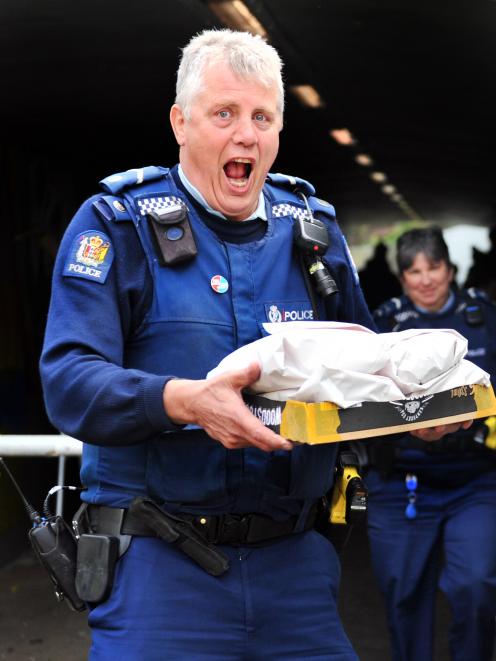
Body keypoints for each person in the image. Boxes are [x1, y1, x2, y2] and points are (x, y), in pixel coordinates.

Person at [39, 30, 464, 660]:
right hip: (160, 568)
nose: (246, 134)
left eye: (263, 116)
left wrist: (415, 418)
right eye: (224, 114)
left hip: (295, 570)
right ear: (180, 123)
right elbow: (68, 383)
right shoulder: (115, 225)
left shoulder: (313, 233)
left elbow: (366, 374)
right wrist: (187, 401)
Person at [366, 226, 496, 661]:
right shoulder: (381, 323)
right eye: (413, 271)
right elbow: (355, 398)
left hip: (475, 482)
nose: (425, 279)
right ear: (402, 278)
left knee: (475, 586)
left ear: (451, 269)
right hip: (402, 482)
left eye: (433, 267)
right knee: (403, 597)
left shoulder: (483, 316)